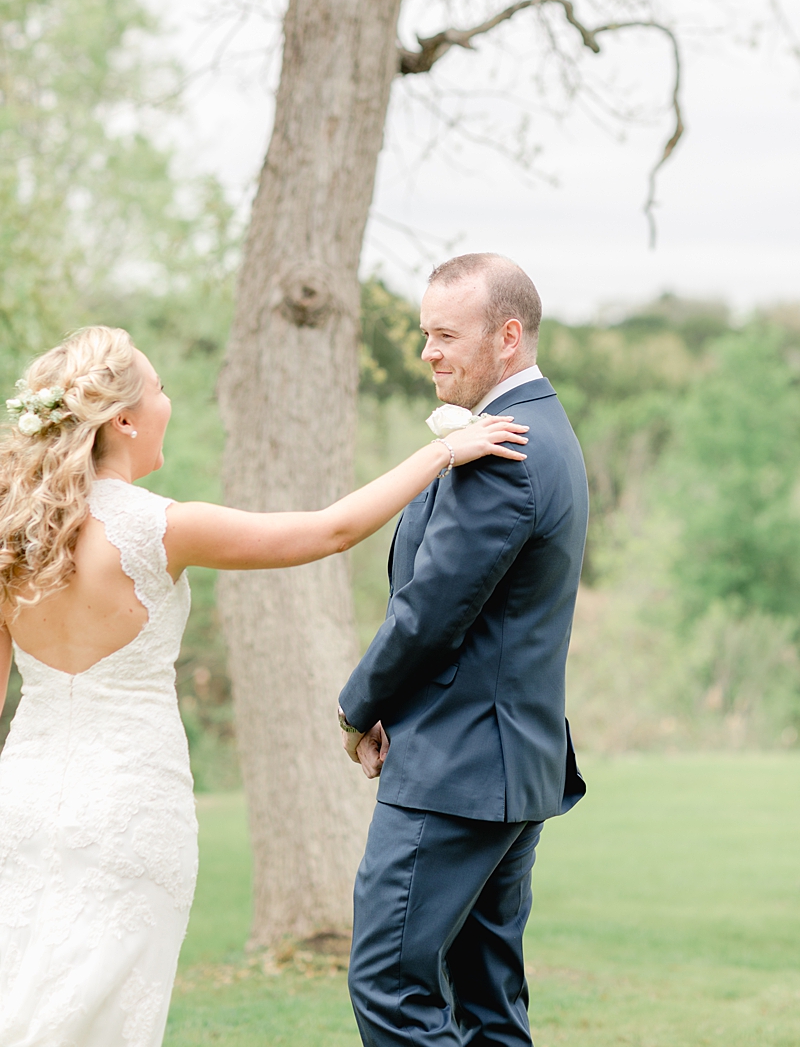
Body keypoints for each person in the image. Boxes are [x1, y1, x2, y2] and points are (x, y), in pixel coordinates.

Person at [0, 324, 529, 1047]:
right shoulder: (157, 529)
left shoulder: (13, 537)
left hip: (22, 802)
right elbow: (330, 531)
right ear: (122, 419)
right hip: (128, 802)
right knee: (107, 1009)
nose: (168, 401)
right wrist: (442, 451)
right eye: (159, 389)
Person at [339, 253, 589, 1047]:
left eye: (446, 334)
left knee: (391, 985)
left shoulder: (504, 456)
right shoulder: (544, 431)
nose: (428, 353)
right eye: (424, 334)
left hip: (456, 768)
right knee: (487, 1004)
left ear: (508, 337)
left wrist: (360, 707)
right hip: (508, 769)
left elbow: (428, 615)